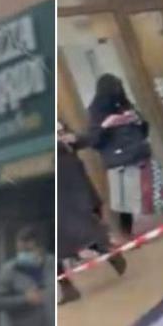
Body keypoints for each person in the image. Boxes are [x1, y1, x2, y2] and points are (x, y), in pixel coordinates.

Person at [85, 73, 163, 238]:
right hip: (118, 160)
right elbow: (94, 140)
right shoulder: (96, 112)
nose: (118, 92)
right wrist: (106, 125)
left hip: (137, 153)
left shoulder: (126, 105)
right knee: (123, 199)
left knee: (158, 187)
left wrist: (138, 121)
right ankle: (127, 234)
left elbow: (143, 129)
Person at [57, 121, 126, 305]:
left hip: (65, 187)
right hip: (68, 186)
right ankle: (106, 251)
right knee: (71, 234)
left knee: (66, 234)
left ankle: (106, 251)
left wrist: (72, 139)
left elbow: (82, 139)